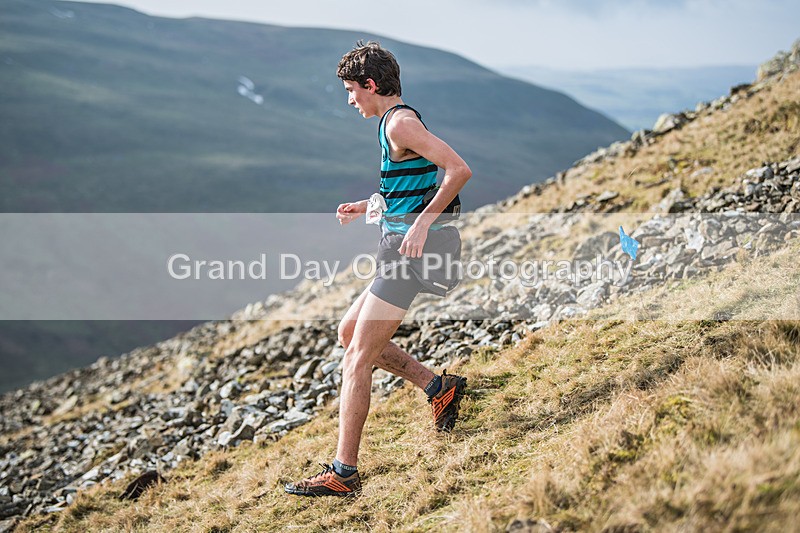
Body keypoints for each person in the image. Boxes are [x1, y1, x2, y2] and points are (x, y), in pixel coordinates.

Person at [285, 41, 472, 497]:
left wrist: (423, 226)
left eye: (352, 90)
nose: (350, 100)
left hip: (411, 254)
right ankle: (437, 387)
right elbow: (416, 180)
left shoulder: (402, 122)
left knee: (357, 358)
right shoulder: (391, 123)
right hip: (397, 246)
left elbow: (458, 169)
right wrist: (371, 205)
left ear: (371, 85)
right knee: (349, 335)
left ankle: (343, 474)